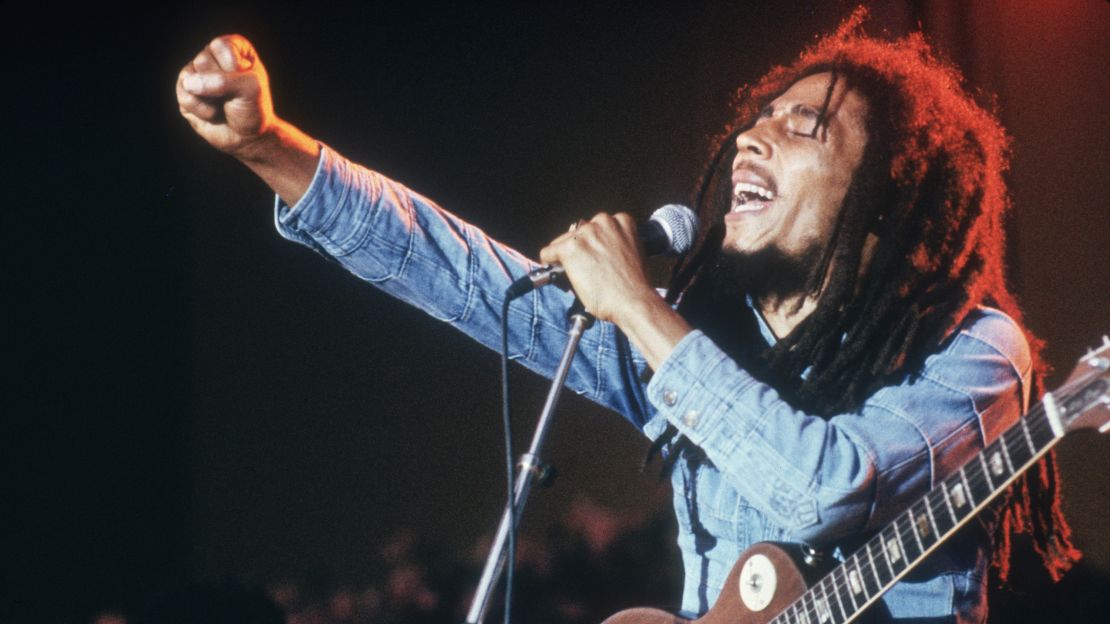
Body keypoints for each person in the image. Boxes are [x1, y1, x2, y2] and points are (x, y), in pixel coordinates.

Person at [176, 11, 1079, 622]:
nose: (752, 137)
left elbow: (828, 491)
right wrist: (273, 148)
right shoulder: (705, 333)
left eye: (804, 129)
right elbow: (462, 275)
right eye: (758, 119)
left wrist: (643, 310)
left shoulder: (973, 353)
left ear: (885, 203)